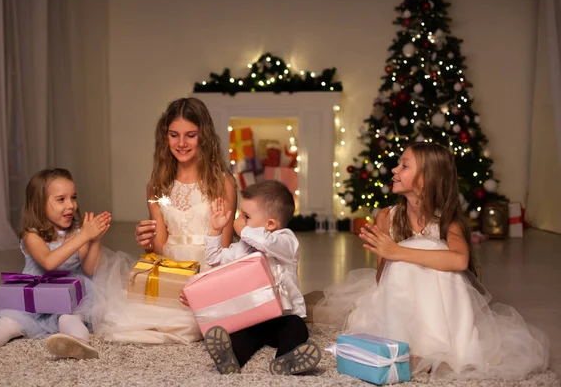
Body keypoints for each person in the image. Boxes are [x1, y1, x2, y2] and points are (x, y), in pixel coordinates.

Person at [315, 142, 549, 379]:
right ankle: (407, 345)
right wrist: (389, 255)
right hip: (397, 301)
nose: (394, 170)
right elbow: (382, 280)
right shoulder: (387, 217)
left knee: (430, 248)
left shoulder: (448, 221)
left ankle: (439, 347)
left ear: (425, 180)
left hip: (441, 304)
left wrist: (397, 251)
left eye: (404, 166)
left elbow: (459, 261)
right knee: (412, 255)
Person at [91, 97, 237, 344]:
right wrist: (146, 243)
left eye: (190, 135)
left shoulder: (223, 183)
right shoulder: (157, 187)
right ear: (165, 136)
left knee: (193, 323)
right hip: (172, 274)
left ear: (205, 136)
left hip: (209, 272)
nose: (181, 143)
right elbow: (160, 247)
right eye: (174, 135)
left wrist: (200, 291)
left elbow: (224, 250)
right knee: (126, 321)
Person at [0, 168, 111, 360]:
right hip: (35, 295)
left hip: (71, 295)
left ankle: (78, 343)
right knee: (9, 324)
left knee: (69, 317)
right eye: (61, 199)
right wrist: (84, 236)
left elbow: (89, 268)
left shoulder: (77, 232)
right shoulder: (32, 234)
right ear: (39, 204)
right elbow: (49, 262)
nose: (71, 205)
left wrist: (94, 239)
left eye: (73, 197)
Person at [199, 181, 321, 375]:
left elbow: (266, 242)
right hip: (251, 316)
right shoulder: (242, 247)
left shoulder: (286, 240)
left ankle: (286, 360)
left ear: (270, 224)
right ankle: (230, 358)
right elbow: (215, 259)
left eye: (245, 216)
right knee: (239, 334)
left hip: (282, 317)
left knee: (297, 329)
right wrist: (216, 230)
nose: (239, 220)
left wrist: (244, 231)